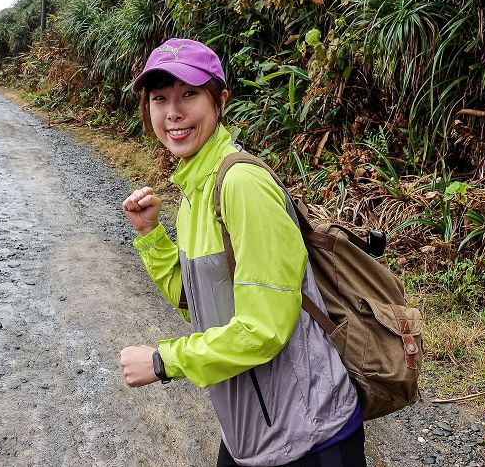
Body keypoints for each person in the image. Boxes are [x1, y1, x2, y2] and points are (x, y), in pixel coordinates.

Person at [118, 39, 364, 467]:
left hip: (309, 435)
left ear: (220, 99)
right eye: (160, 98)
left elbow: (263, 328)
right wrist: (152, 236)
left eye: (189, 94)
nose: (173, 112)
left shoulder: (240, 185)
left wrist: (163, 361)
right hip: (251, 428)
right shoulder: (196, 187)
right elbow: (197, 303)